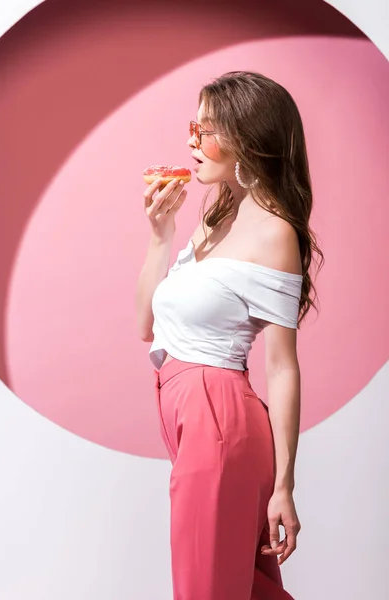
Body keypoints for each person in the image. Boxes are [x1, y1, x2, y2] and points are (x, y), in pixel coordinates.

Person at [136, 71, 324, 600]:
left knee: (207, 590)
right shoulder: (216, 217)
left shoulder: (274, 231)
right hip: (188, 415)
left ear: (247, 137)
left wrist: (285, 485)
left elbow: (283, 365)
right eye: (191, 127)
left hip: (217, 418)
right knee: (238, 587)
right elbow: (146, 326)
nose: (191, 142)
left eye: (207, 130)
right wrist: (160, 236)